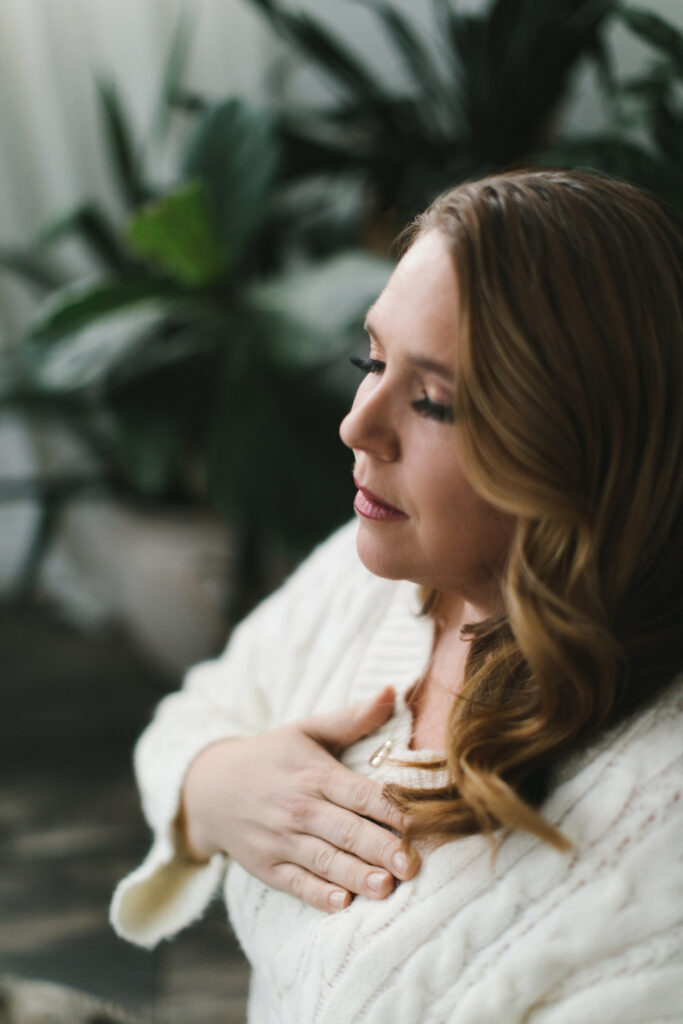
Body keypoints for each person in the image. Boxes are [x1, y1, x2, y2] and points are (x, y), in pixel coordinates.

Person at [111, 170, 683, 1023]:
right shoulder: (373, 578)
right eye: (369, 360)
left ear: (575, 447)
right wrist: (214, 787)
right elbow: (198, 710)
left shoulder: (651, 853)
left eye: (432, 401)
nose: (357, 424)